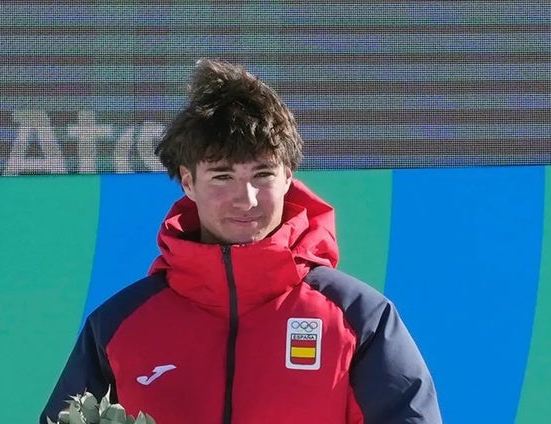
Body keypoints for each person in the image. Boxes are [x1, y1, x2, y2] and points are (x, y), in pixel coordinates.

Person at [39, 59, 442, 423]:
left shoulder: (358, 320)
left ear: (288, 177)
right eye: (222, 176)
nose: (245, 199)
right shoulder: (118, 325)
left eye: (262, 175)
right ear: (187, 182)